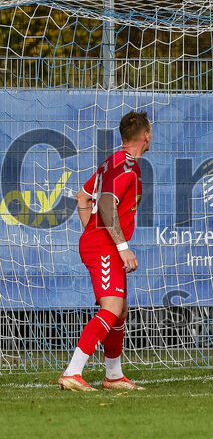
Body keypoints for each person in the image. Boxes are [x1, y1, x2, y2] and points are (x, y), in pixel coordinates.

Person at [58, 111, 152, 392]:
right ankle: (72, 372)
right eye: (151, 132)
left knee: (120, 310)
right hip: (106, 245)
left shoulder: (112, 162)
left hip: (100, 241)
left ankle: (113, 376)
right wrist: (120, 246)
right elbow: (108, 204)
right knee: (111, 308)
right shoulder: (126, 166)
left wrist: (92, 230)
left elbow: (83, 196)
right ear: (146, 135)